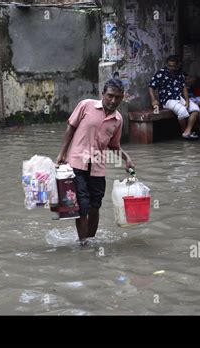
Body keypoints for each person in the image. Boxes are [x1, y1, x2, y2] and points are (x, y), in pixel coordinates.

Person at [56, 79, 135, 246]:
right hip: (77, 164)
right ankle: (83, 243)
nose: (113, 101)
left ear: (122, 98)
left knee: (95, 206)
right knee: (82, 206)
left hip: (98, 168)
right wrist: (62, 154)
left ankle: (91, 241)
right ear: (103, 94)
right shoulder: (86, 105)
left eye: (118, 98)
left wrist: (126, 158)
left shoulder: (118, 120)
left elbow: (114, 145)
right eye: (110, 96)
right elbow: (70, 128)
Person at [148, 55, 199, 140]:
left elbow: (184, 87)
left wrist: (187, 100)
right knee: (182, 111)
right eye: (169, 66)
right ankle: (184, 131)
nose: (171, 68)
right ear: (167, 64)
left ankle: (187, 131)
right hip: (168, 100)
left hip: (179, 98)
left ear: (177, 65)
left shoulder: (179, 73)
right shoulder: (161, 73)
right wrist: (153, 99)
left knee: (195, 109)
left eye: (173, 66)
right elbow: (151, 86)